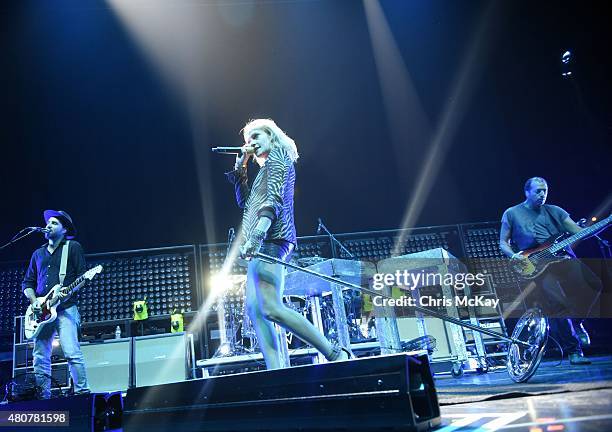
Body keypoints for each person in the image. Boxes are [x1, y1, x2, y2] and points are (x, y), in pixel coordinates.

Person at [225, 118, 351, 369]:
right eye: (248, 140)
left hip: (271, 238)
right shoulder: (263, 169)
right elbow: (246, 203)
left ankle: (335, 353)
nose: (251, 143)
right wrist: (240, 171)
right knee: (255, 310)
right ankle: (276, 372)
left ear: (272, 137)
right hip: (260, 243)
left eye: (256, 136)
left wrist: (257, 235)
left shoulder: (279, 157)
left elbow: (274, 200)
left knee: (270, 308)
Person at [499, 177, 603, 365]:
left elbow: (580, 232)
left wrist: (605, 223)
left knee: (594, 284)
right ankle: (574, 351)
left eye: (545, 191)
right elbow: (503, 243)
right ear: (527, 192)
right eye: (538, 191)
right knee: (557, 304)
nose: (542, 194)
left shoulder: (556, 211)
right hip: (536, 265)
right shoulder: (512, 213)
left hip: (563, 258)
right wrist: (514, 255)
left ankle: (577, 323)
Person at [22, 210, 90, 398]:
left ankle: (83, 394)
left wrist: (68, 292)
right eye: (48, 223)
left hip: (66, 308)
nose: (48, 225)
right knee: (40, 356)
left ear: (64, 229)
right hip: (41, 312)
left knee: (71, 352)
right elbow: (27, 283)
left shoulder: (73, 247)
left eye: (54, 223)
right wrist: (35, 302)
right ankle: (43, 397)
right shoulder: (37, 254)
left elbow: (82, 277)